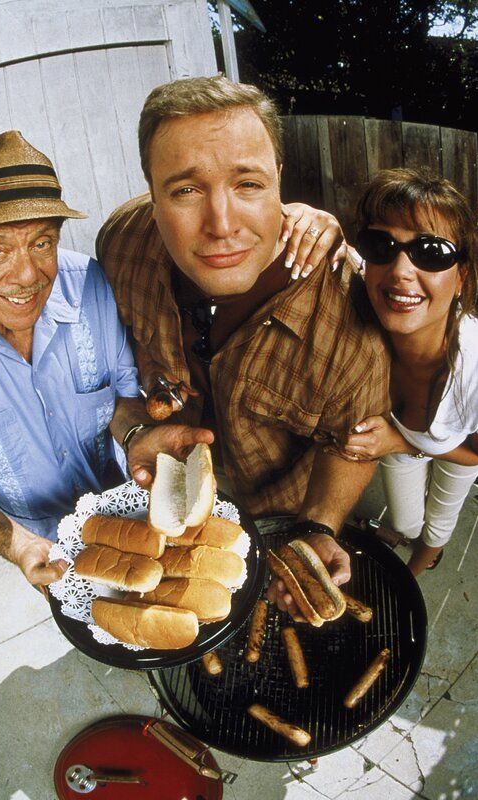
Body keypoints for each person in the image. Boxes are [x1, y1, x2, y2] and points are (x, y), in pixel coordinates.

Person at [96, 75, 392, 606]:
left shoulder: (352, 314)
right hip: (175, 496)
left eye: (248, 184)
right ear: (151, 191)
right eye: (185, 190)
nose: (222, 224)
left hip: (287, 506)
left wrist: (319, 526)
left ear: (280, 181)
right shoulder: (120, 245)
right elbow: (117, 366)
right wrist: (134, 429)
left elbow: (353, 440)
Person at [0, 130, 214, 592]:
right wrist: (19, 545)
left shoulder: (89, 283)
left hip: (124, 499)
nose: (28, 275)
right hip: (30, 533)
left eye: (42, 243)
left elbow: (118, 400)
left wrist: (137, 436)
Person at [327, 168, 478, 575]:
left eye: (431, 252)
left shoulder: (475, 369)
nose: (400, 271)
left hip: (461, 452)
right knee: (408, 522)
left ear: (461, 276)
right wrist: (314, 219)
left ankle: (416, 570)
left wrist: (401, 441)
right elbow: (330, 240)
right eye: (382, 245)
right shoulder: (364, 285)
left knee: (437, 527)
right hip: (393, 437)